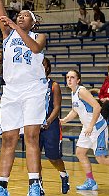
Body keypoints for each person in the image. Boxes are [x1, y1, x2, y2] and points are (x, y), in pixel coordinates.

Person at [0, 0, 48, 196]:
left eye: (25, 15)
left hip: (34, 89)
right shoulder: (8, 35)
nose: (20, 17)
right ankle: (2, 185)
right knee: (9, 139)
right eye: (18, 15)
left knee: (32, 136)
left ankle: (34, 184)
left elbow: (35, 50)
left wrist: (16, 28)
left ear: (33, 22)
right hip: (11, 90)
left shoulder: (39, 36)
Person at [61, 69, 109, 191]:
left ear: (78, 80)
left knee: (101, 159)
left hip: (96, 127)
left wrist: (91, 125)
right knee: (80, 152)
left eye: (72, 77)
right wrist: (64, 120)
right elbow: (75, 111)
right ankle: (91, 181)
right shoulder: (73, 93)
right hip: (87, 127)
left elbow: (97, 106)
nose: (69, 79)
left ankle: (91, 181)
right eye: (68, 77)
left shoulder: (82, 91)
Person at [39, 58, 69, 194]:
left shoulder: (54, 85)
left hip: (51, 125)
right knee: (34, 157)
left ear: (48, 68)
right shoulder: (31, 85)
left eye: (43, 65)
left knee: (53, 157)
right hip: (34, 126)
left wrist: (48, 121)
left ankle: (64, 175)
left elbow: (57, 107)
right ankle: (37, 186)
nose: (41, 67)